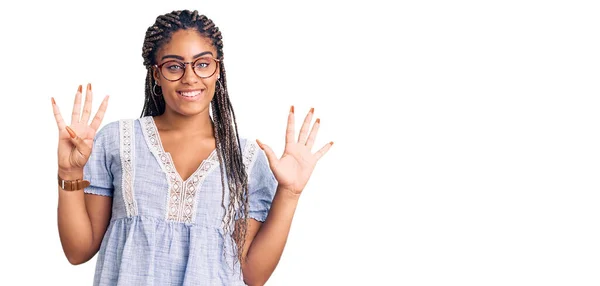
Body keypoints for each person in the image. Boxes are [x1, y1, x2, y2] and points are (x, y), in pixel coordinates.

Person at [51, 9, 332, 286]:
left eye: (202, 63)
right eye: (174, 66)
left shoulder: (246, 160)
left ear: (217, 70)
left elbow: (253, 274)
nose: (190, 77)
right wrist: (69, 172)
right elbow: (78, 251)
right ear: (156, 74)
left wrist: (290, 193)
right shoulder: (118, 141)